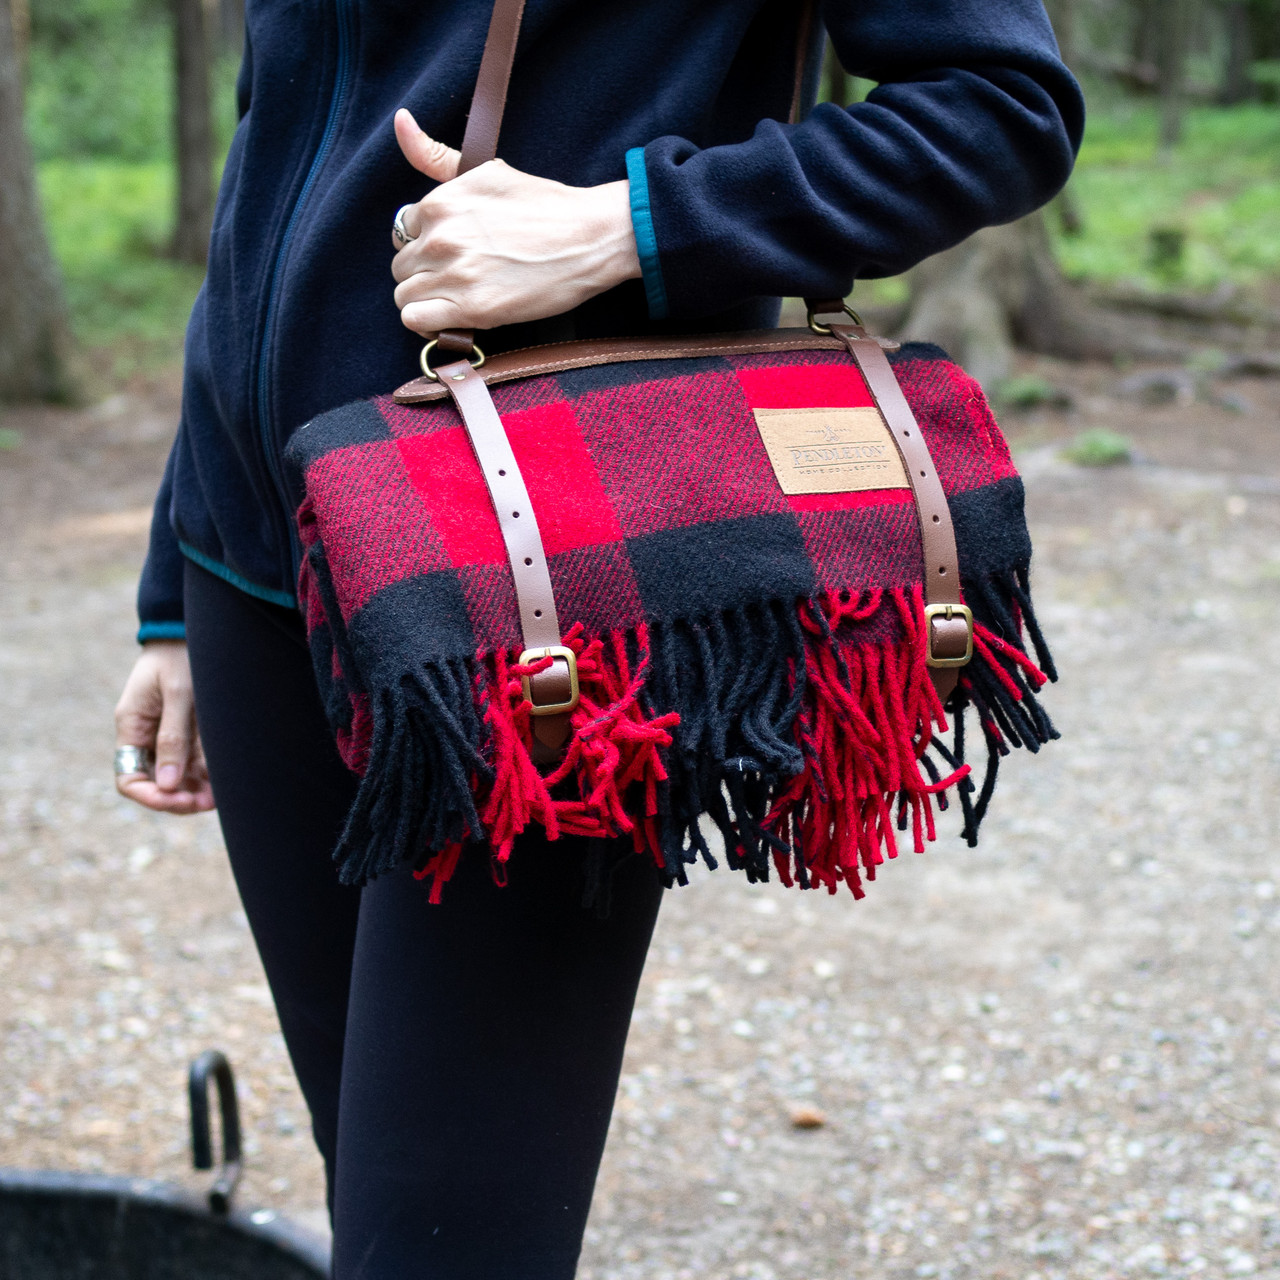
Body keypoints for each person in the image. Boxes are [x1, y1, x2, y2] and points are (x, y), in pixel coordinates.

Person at [112, 3, 1083, 1275]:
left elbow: (998, 108)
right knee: (384, 1194)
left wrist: (624, 225)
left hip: (531, 589)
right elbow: (276, 141)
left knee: (443, 1241)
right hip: (260, 562)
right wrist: (177, 582)